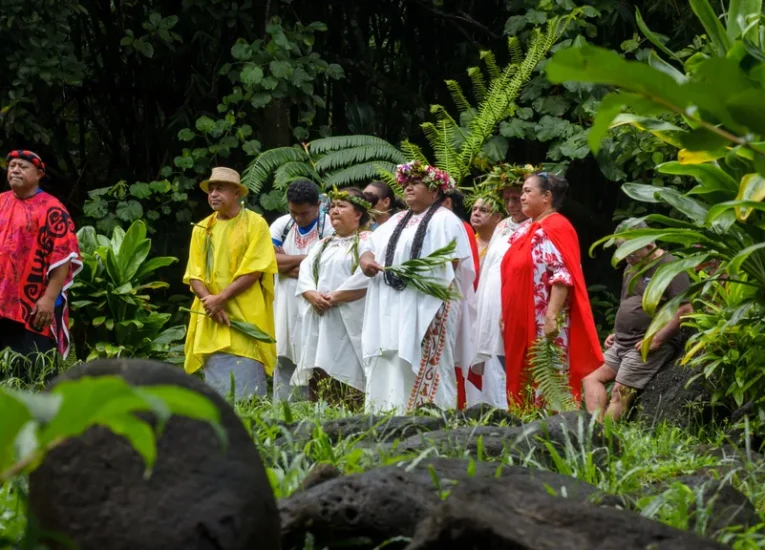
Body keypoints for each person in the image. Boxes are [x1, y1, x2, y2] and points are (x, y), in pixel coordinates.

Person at [357, 160, 476, 414]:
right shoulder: (398, 218)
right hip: (393, 304)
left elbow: (452, 262)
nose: (408, 188)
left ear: (435, 191)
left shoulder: (446, 220)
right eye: (406, 184)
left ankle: (430, 416)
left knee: (427, 360)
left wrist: (416, 279)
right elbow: (368, 243)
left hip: (429, 304)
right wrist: (366, 258)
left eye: (416, 183)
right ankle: (387, 414)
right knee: (390, 356)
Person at [500, 172, 602, 409]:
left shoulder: (557, 226)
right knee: (523, 372)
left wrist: (551, 316)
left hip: (542, 319)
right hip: (521, 318)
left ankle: (551, 428)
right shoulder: (529, 228)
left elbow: (562, 275)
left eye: (527, 191)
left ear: (546, 197)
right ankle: (524, 423)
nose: (521, 197)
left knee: (547, 373)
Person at [582, 222, 693, 420]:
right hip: (622, 342)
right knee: (591, 378)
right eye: (623, 254)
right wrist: (617, 333)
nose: (628, 260)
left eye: (632, 254)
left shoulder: (671, 267)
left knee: (619, 392)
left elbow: (685, 310)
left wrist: (657, 340)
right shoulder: (631, 267)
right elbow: (629, 303)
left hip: (647, 343)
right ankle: (594, 433)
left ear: (650, 246)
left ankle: (605, 439)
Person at [183, 167, 277, 400]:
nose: (213, 194)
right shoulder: (202, 228)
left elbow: (255, 269)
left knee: (248, 388)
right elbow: (194, 274)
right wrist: (210, 303)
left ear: (237, 193)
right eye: (211, 189)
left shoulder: (256, 224)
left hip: (245, 315)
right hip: (212, 317)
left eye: (220, 188)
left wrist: (219, 299)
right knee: (217, 394)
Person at [0, 150, 82, 363]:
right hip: (2, 299)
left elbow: (63, 257)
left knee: (34, 368)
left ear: (38, 174)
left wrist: (48, 298)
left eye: (23, 167)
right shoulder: (1, 202)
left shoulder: (52, 209)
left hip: (35, 303)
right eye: (12, 166)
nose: (15, 170)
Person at [292, 188, 374, 398]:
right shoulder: (323, 244)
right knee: (320, 368)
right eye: (333, 206)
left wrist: (335, 297)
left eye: (342, 206)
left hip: (352, 319)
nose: (335, 211)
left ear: (358, 213)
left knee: (350, 373)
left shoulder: (368, 241)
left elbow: (366, 277)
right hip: (322, 317)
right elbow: (306, 270)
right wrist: (311, 294)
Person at [270, 179, 334, 401]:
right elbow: (269, 262)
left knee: (315, 354)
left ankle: (315, 406)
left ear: (318, 205)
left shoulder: (329, 226)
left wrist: (286, 259)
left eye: (304, 214)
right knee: (284, 352)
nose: (298, 218)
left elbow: (326, 265)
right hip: (284, 302)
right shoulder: (282, 224)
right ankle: (283, 408)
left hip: (314, 301)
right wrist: (308, 259)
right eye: (293, 212)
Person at [467, 176, 528, 409]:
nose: (512, 204)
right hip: (490, 304)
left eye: (517, 198)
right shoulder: (502, 227)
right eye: (508, 199)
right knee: (493, 359)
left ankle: (517, 409)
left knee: (514, 361)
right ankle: (496, 410)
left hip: (514, 303)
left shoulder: (533, 227)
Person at [470, 198, 503, 265]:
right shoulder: (466, 241)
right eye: (474, 209)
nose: (476, 213)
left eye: (483, 210)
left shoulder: (503, 244)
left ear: (498, 217)